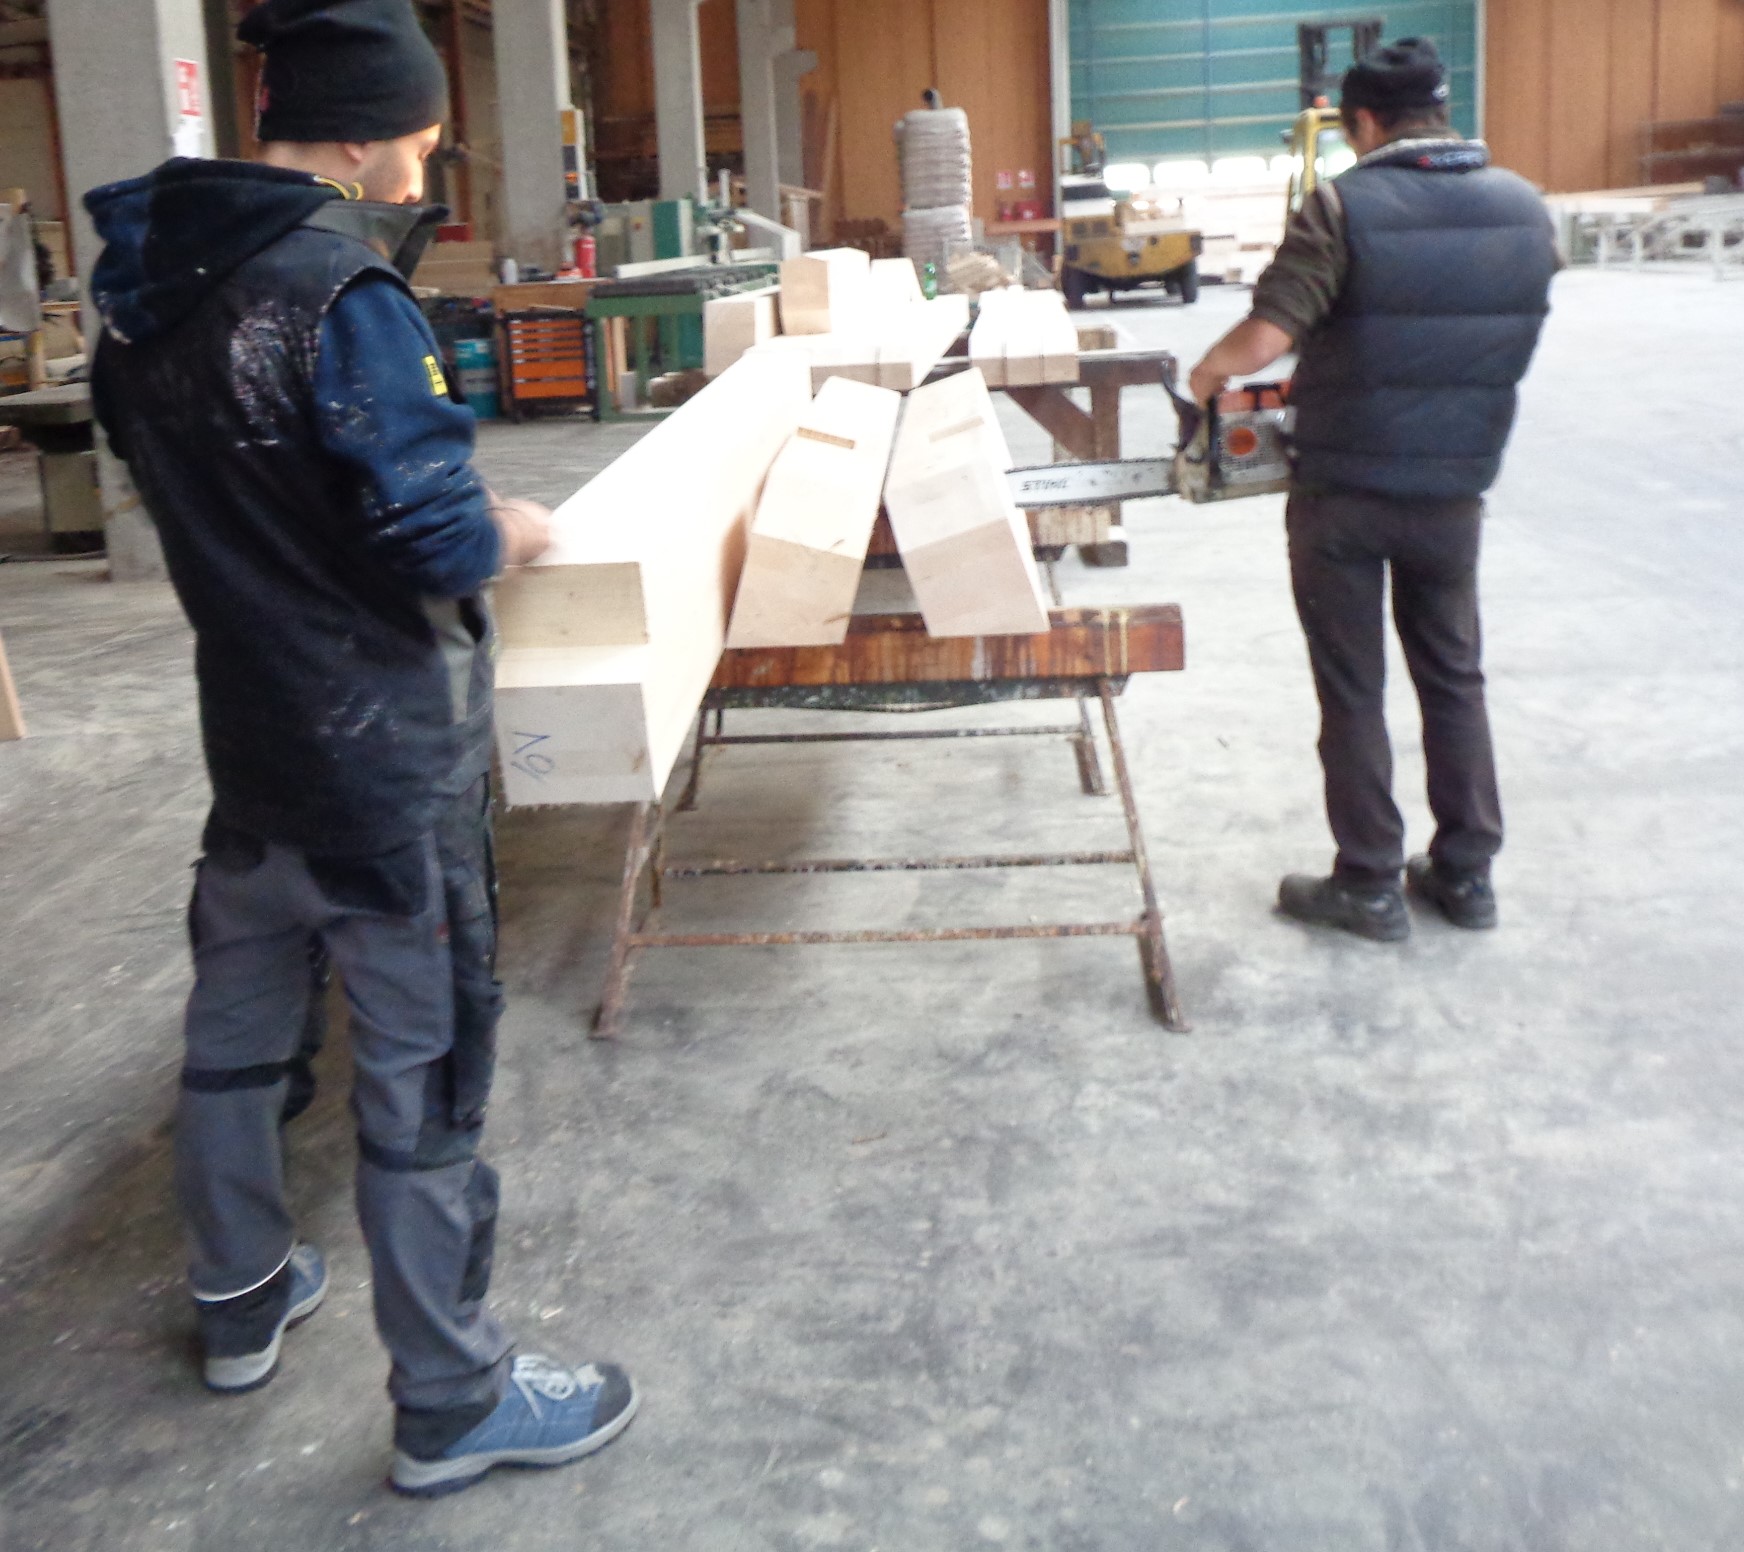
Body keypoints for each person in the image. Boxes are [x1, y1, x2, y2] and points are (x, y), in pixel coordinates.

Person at [85, 0, 637, 1498]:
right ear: (360, 130)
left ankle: (241, 1295)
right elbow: (429, 534)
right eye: (420, 141)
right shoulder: (341, 292)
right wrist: (517, 529)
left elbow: (188, 487)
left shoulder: (144, 287)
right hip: (383, 773)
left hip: (253, 752)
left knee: (238, 1040)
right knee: (423, 1076)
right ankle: (453, 1400)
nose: (421, 171)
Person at [1188, 37, 1558, 943]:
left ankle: (1369, 883)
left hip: (1344, 494)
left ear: (1362, 120)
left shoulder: (1343, 205)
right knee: (1454, 677)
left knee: (1353, 688)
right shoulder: (1523, 208)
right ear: (1441, 110)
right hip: (1454, 492)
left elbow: (1268, 336)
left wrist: (1206, 375)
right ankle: (1467, 875)